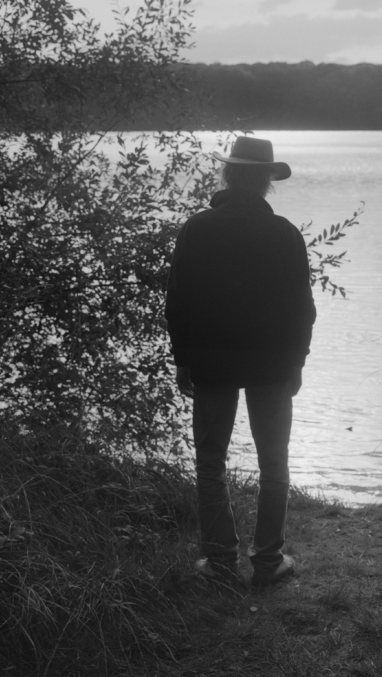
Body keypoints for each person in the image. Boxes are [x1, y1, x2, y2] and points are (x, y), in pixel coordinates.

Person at [165, 136, 316, 588]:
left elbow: (178, 303)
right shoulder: (285, 233)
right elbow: (302, 309)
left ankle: (220, 563)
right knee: (274, 462)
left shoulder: (197, 229)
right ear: (267, 180)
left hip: (212, 361)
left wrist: (183, 360)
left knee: (211, 462)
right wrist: (297, 362)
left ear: (228, 174)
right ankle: (268, 562)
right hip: (272, 363)